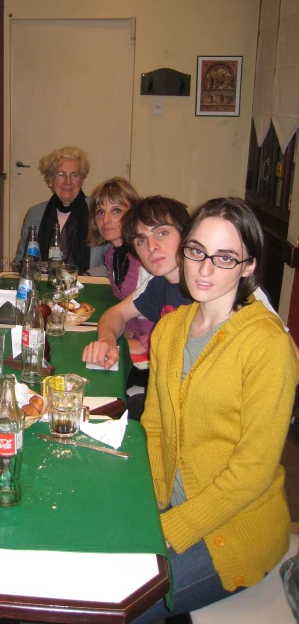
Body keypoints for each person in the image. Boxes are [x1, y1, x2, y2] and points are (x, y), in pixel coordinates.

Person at [131, 198, 298, 622]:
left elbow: (253, 472)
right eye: (197, 251)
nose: (204, 269)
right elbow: (153, 428)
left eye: (224, 258)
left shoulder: (267, 345)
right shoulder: (170, 330)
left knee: (125, 605)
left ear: (247, 267)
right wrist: (147, 508)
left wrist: (170, 529)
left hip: (236, 527)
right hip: (169, 509)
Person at [83, 195, 190, 369]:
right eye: (141, 240)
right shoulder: (158, 282)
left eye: (162, 233)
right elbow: (115, 314)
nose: (151, 246)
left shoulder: (202, 292)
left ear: (186, 235)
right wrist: (107, 340)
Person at [14, 146, 107, 274]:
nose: (68, 182)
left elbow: (110, 263)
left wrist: (87, 277)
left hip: (87, 285)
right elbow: (22, 260)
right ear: (51, 180)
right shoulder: (34, 214)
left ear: (82, 180)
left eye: (74, 175)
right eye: (61, 174)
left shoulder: (98, 210)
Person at [87, 177, 153, 355]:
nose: (106, 219)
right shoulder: (112, 254)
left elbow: (174, 314)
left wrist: (144, 344)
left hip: (155, 346)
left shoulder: (147, 257)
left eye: (116, 211)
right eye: (100, 212)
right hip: (133, 334)